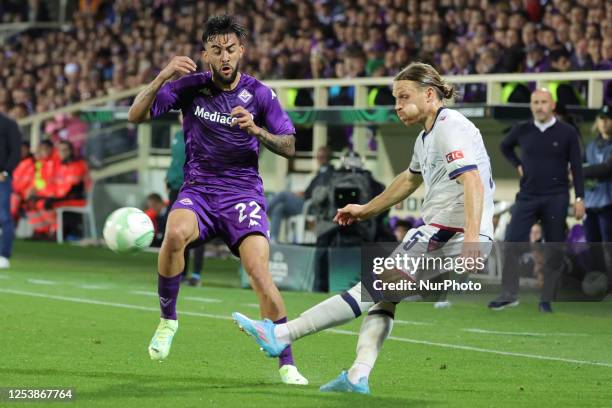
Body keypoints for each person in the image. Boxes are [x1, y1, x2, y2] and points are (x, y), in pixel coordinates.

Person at [233, 62, 495, 394]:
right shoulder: (428, 136)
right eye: (395, 98)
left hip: (449, 233)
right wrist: (365, 210)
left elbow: (471, 180)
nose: (398, 105)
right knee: (383, 300)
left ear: (430, 94)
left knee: (369, 288)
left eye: (404, 96)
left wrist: (471, 239)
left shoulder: (449, 126)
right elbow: (410, 178)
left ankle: (282, 334)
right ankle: (358, 375)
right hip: (453, 235)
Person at [127, 15, 307, 385]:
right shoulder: (190, 87)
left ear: (241, 51)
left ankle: (287, 362)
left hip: (243, 194)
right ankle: (168, 320)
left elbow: (290, 145)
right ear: (205, 53)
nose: (224, 57)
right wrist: (163, 75)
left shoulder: (260, 94)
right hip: (200, 190)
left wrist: (256, 129)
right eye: (216, 50)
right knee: (174, 234)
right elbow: (135, 115)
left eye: (230, 50)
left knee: (259, 272)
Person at [490, 89, 585, 313]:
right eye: (535, 102)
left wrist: (580, 198)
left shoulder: (567, 132)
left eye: (543, 102)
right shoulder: (522, 129)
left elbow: (577, 167)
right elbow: (504, 146)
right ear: (531, 106)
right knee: (512, 242)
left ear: (552, 105)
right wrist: (517, 165)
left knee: (554, 248)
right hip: (527, 196)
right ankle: (508, 294)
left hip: (556, 196)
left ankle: (546, 299)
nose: (539, 106)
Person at [166, 117, 205, 286]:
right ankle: (180, 273)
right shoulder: (177, 135)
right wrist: (168, 179)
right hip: (176, 188)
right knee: (176, 232)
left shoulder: (203, 135)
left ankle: (195, 274)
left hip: (194, 189)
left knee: (197, 233)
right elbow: (175, 161)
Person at [267, 145, 334, 242]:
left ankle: (263, 211)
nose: (319, 159)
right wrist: (302, 193)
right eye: (318, 157)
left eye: (322, 157)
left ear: (328, 158)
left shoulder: (330, 173)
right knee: (279, 207)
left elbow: (320, 193)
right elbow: (310, 190)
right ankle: (273, 239)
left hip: (312, 206)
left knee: (283, 194)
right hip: (305, 201)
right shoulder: (320, 172)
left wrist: (305, 195)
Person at [582, 105, 612, 276]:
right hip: (591, 202)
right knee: (593, 247)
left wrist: (584, 170)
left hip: (608, 203)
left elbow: (607, 169)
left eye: (608, 118)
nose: (604, 122)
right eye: (601, 118)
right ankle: (600, 283)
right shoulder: (591, 145)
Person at [0, 111, 22, 269]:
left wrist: (6, 171)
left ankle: (3, 255)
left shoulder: (8, 124)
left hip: (1, 177)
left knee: (4, 216)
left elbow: (15, 151)